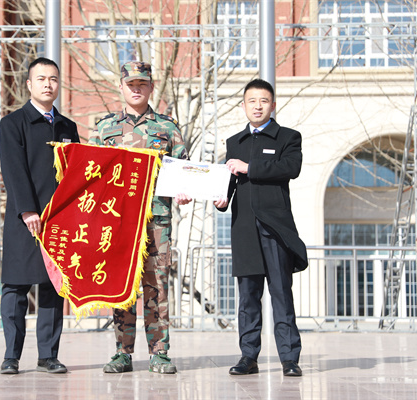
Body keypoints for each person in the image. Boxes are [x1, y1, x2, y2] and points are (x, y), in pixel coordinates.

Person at [88, 61, 191, 374]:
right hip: (118, 222)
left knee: (156, 286)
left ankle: (160, 352)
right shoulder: (104, 128)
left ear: (151, 87)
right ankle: (122, 352)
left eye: (142, 84)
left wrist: (185, 189)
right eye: (131, 84)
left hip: (156, 222)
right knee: (122, 286)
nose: (136, 89)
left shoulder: (168, 128)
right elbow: (91, 175)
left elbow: (184, 169)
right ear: (121, 87)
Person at [214, 79, 307, 377]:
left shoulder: (288, 137)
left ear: (273, 105)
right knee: (248, 297)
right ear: (243, 105)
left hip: (275, 229)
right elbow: (228, 183)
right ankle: (248, 357)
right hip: (244, 230)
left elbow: (290, 168)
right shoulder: (234, 142)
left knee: (281, 294)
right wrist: (220, 199)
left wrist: (250, 168)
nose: (257, 106)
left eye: (263, 101)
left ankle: (289, 358)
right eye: (252, 101)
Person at [0, 57, 80, 375]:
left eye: (54, 79)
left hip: (59, 221)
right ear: (29, 84)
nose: (48, 84)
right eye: (42, 79)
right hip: (24, 219)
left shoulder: (68, 127)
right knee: (15, 287)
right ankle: (11, 356)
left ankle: (48, 355)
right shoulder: (13, 123)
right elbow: (13, 170)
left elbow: (77, 174)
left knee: (52, 287)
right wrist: (28, 209)